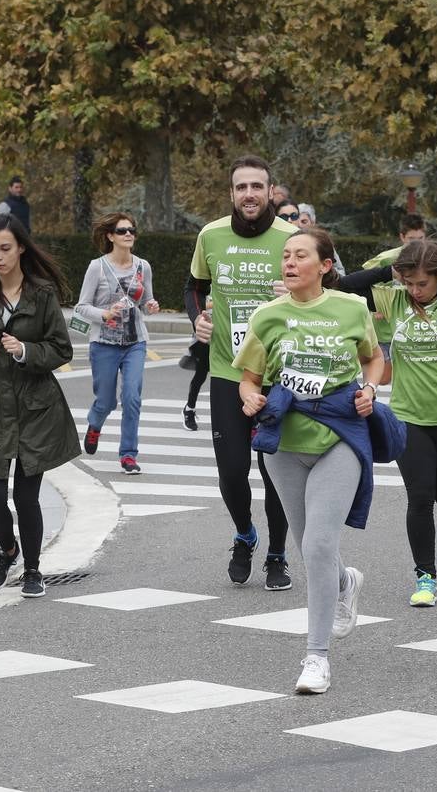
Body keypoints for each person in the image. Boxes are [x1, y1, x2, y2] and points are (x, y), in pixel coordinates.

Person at [235, 227, 383, 693]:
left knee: (318, 545)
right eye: (285, 256)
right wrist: (249, 400)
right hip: (283, 446)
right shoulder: (267, 315)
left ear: (325, 266)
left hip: (339, 437)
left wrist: (370, 389)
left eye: (301, 255)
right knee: (309, 548)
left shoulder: (351, 308)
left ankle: (316, 658)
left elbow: (374, 359)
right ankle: (344, 583)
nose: (290, 262)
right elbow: (249, 378)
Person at [342, 240, 437, 607]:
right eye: (409, 283)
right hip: (408, 417)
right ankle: (425, 576)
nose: (415, 290)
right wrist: (390, 271)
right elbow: (346, 287)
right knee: (421, 497)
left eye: (422, 284)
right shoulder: (395, 300)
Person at [184, 154, 298, 590]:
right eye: (240, 187)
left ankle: (277, 554)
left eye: (257, 186)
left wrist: (295, 289)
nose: (249, 194)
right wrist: (197, 317)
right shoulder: (211, 235)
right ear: (231, 193)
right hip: (229, 371)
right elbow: (193, 287)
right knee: (231, 472)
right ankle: (245, 535)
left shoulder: (291, 236)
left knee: (275, 473)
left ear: (271, 192)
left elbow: (322, 287)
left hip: (280, 375)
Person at [0, 214, 79, 598]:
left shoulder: (41, 295)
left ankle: (34, 570)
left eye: (5, 248)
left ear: (21, 247)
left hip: (35, 410)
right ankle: (9, 550)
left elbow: (61, 348)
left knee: (26, 498)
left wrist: (26, 351)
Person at [76, 212, 160, 474]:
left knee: (132, 397)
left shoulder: (143, 266)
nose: (128, 235)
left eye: (132, 230)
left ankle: (128, 455)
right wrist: (104, 314)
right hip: (103, 343)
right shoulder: (97, 267)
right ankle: (95, 424)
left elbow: (146, 302)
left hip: (135, 342)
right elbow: (80, 308)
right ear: (110, 236)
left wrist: (150, 305)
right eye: (122, 231)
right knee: (106, 401)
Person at [361, 213, 428, 386]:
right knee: (383, 378)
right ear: (402, 237)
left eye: (421, 239)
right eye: (412, 240)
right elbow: (365, 278)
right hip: (386, 327)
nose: (417, 244)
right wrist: (375, 307)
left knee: (410, 375)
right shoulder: (387, 259)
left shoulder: (428, 256)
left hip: (414, 325)